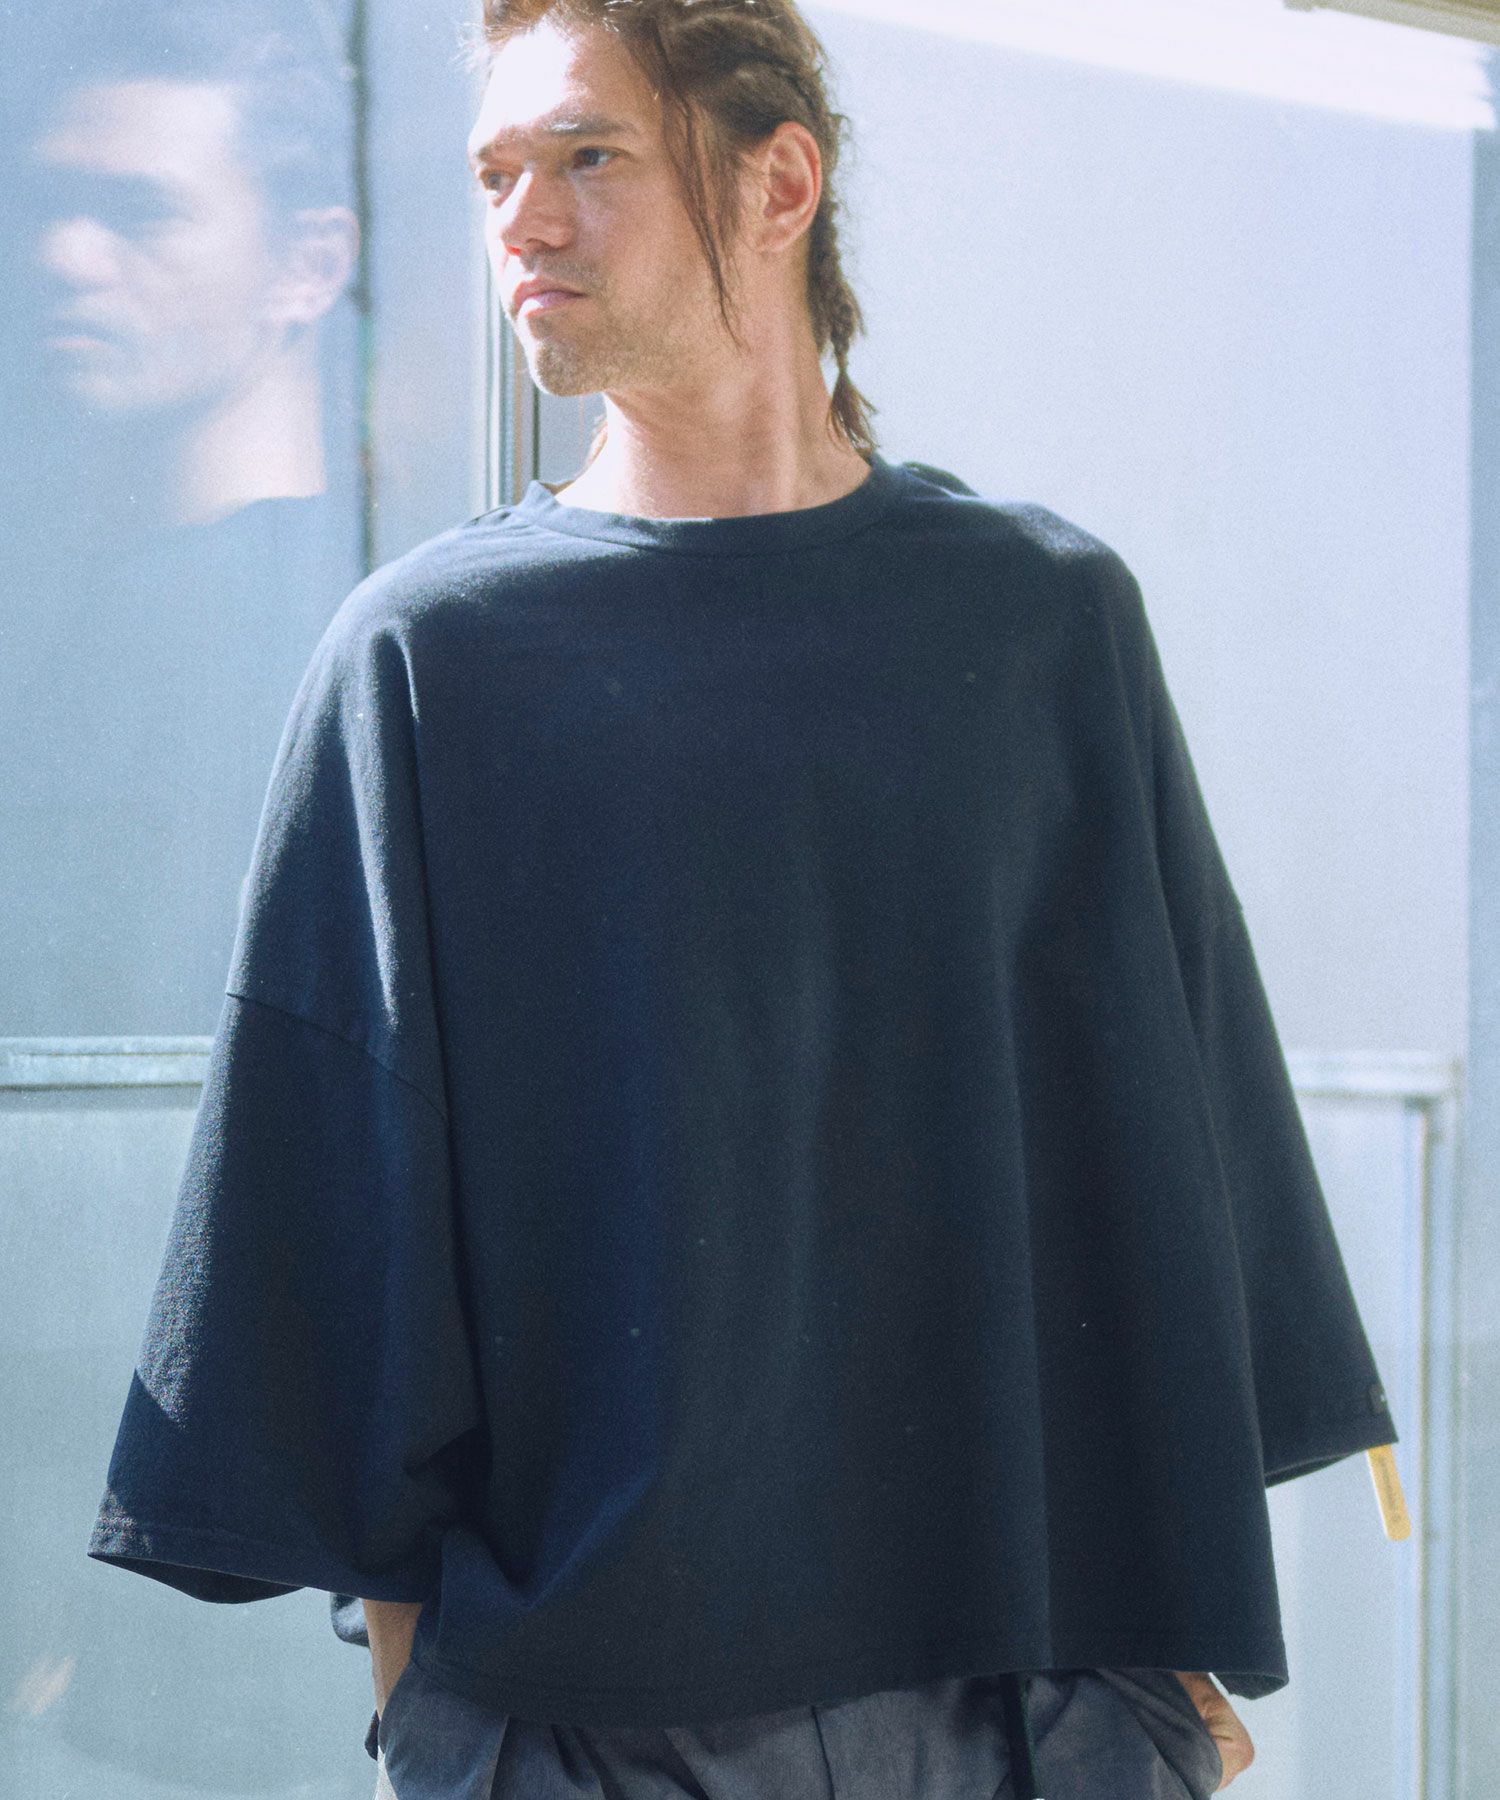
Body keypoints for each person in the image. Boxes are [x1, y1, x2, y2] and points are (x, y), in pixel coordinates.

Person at [86, 0, 1399, 1795]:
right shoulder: (430, 659)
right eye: (494, 171)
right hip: (595, 1715)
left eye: (588, 156)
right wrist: (430, 1720)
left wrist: (1149, 1666)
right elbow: (327, 1200)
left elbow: (1170, 1140)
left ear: (782, 183)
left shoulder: (1038, 623)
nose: (524, 219)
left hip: (1031, 1697)